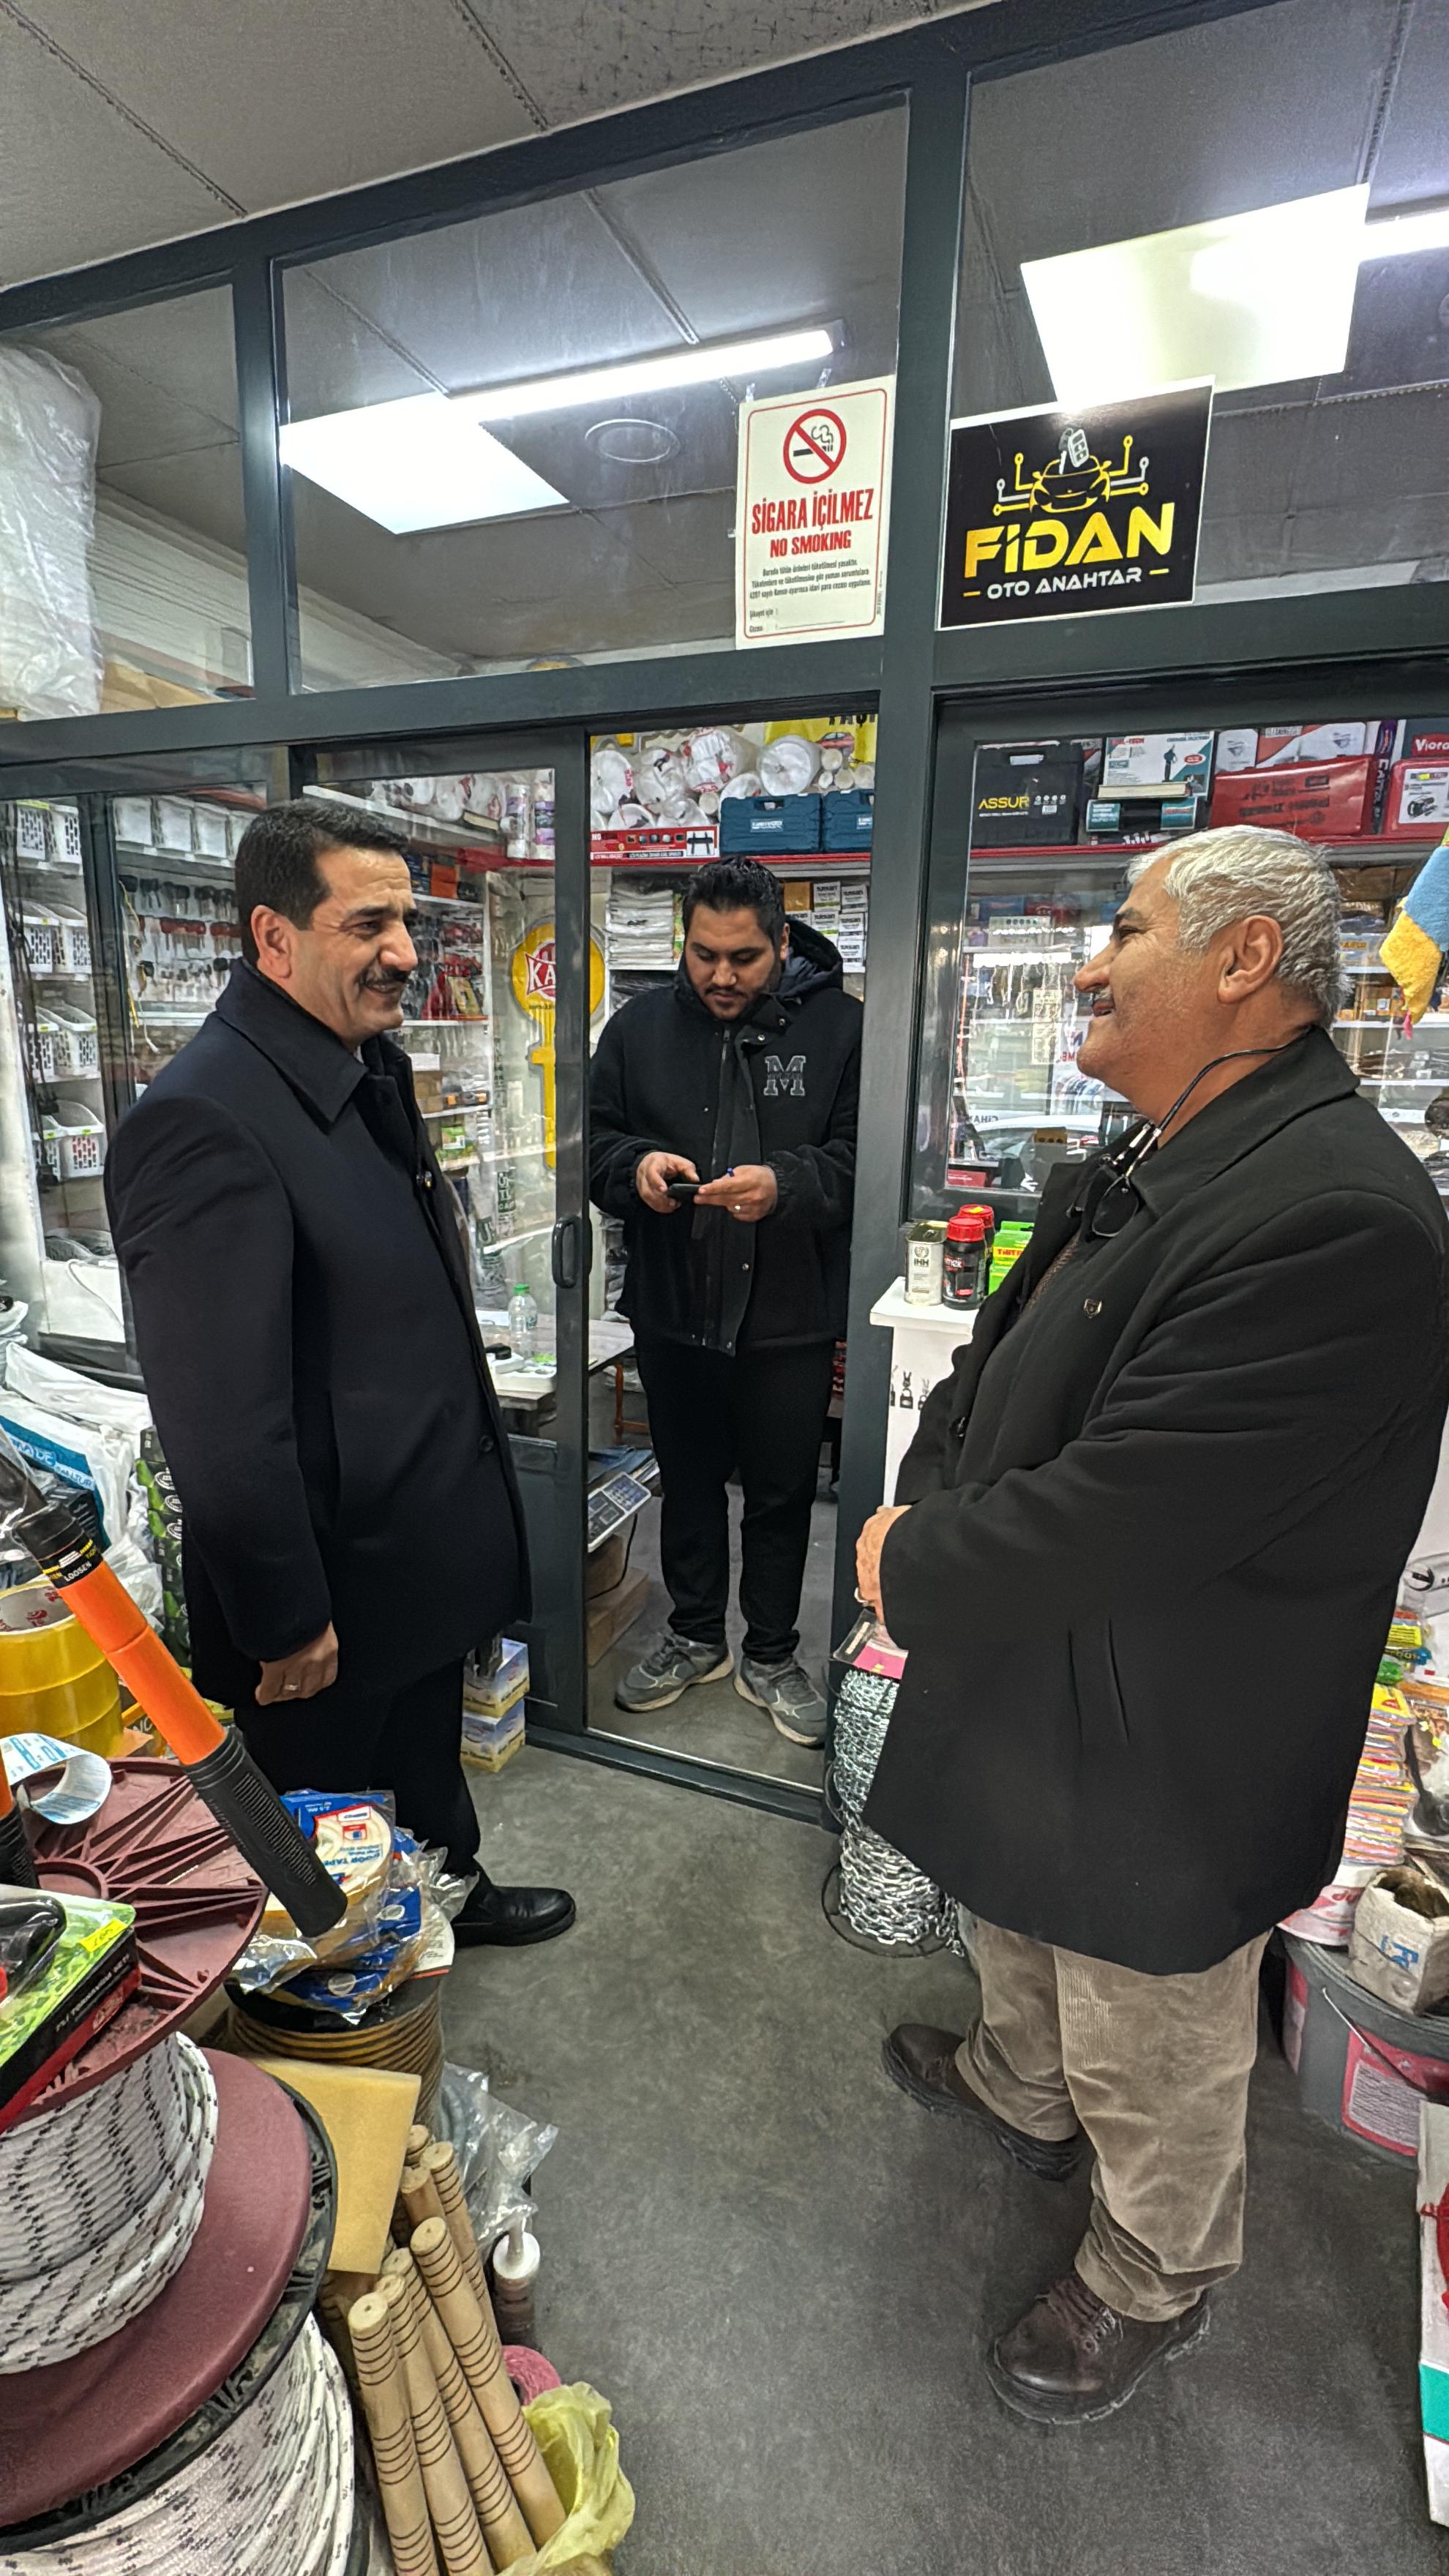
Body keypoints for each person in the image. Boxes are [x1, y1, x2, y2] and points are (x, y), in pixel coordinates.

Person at [856, 827, 1449, 2423]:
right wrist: (928, 1505)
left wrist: (921, 1561)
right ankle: (1018, 2090)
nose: (1089, 965)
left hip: (1173, 1727)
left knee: (1151, 2017)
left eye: (1126, 930)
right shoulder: (1165, 1145)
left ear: (1246, 958)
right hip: (1041, 1656)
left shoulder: (1338, 1213)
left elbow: (1135, 1506)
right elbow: (992, 1361)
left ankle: (1150, 2270)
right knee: (1013, 1910)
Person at [105, 800, 574, 1947]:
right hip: (326, 1591)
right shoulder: (204, 1120)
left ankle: (449, 1893)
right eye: (369, 925)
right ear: (274, 939)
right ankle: (337, 2010)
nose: (405, 953)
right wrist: (285, 1619)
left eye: (406, 923)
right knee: (319, 1843)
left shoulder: (357, 1072)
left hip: (404, 1552)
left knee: (422, 1761)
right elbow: (219, 1420)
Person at [591, 856, 861, 1746]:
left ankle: (772, 1653)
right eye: (703, 954)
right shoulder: (636, 1030)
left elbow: (864, 1162)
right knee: (690, 1482)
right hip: (675, 1306)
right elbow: (592, 1146)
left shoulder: (842, 1029)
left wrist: (785, 1184)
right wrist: (636, 1167)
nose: (720, 975)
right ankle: (695, 1634)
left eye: (743, 957)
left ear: (781, 942)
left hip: (788, 1314)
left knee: (782, 1494)